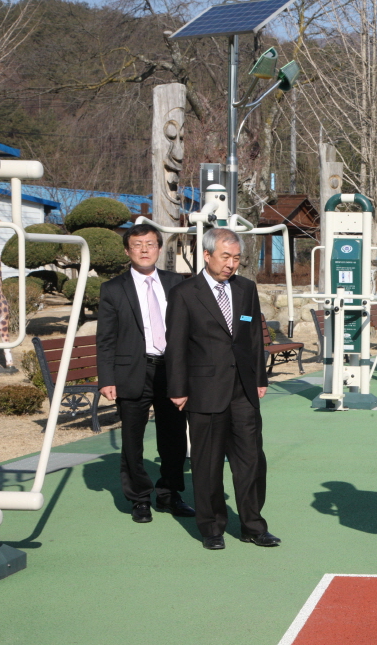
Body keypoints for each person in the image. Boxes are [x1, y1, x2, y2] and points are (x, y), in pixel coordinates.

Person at [166, 228, 279, 550]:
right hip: (203, 391)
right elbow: (175, 344)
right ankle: (212, 528)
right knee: (207, 463)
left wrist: (259, 378)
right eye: (225, 257)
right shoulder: (185, 292)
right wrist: (178, 388)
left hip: (243, 388)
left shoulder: (245, 289)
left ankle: (253, 526)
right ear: (207, 256)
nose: (231, 264)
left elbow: (253, 336)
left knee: (252, 460)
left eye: (236, 258)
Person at [96, 224, 194, 523]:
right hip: (132, 372)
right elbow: (106, 338)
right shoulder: (113, 289)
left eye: (150, 244)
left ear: (159, 248)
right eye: (137, 245)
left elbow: (190, 330)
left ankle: (169, 494)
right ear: (127, 250)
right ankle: (139, 499)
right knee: (132, 440)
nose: (144, 250)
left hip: (172, 371)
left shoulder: (177, 283)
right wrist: (107, 378)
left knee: (174, 438)